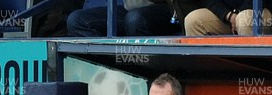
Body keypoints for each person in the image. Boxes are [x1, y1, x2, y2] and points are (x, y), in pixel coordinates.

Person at [67, 0, 196, 37]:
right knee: (76, 21)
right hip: (129, 10)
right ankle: (111, 68)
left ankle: (152, 76)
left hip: (171, 8)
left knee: (135, 20)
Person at [184, 0, 272, 36]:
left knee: (244, 20)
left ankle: (252, 79)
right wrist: (228, 16)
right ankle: (211, 81)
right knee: (194, 21)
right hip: (233, 15)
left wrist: (237, 14)